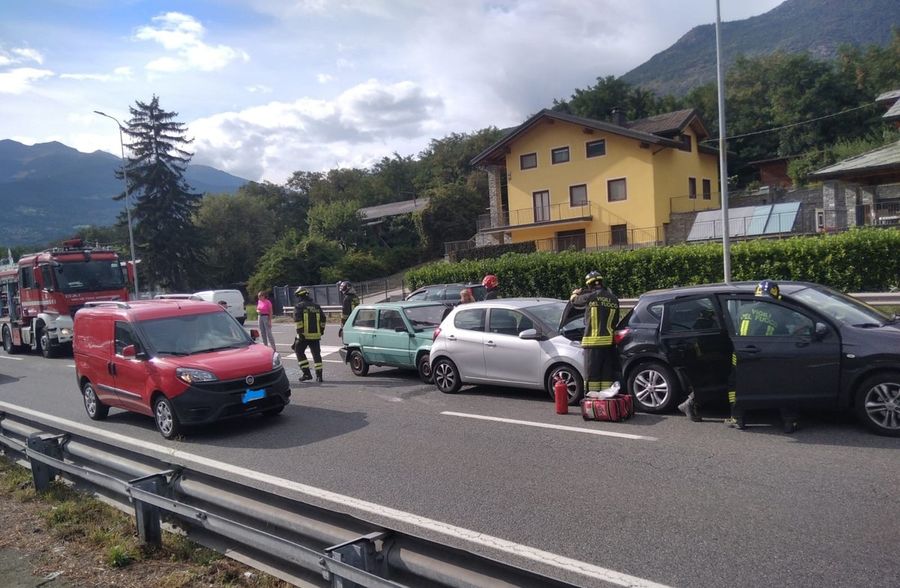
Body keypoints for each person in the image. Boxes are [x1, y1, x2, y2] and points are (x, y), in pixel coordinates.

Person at [722, 279, 799, 433]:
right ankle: (789, 420)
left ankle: (737, 418)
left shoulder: (743, 310)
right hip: (769, 355)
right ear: (775, 296)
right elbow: (790, 331)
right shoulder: (780, 312)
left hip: (742, 354)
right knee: (781, 385)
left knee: (735, 385)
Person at [568, 271, 620, 396]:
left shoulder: (590, 296)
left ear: (589, 285)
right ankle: (606, 402)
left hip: (592, 343)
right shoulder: (613, 299)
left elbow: (574, 301)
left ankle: (592, 403)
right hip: (609, 344)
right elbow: (616, 320)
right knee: (606, 376)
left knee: (592, 377)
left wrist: (575, 293)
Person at [293, 287, 326, 382]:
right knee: (316, 355)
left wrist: (300, 333)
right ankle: (319, 376)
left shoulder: (299, 306)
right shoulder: (316, 306)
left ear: (300, 296)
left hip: (304, 335)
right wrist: (321, 330)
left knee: (299, 351)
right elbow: (323, 319)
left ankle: (307, 373)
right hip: (316, 335)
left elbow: (298, 320)